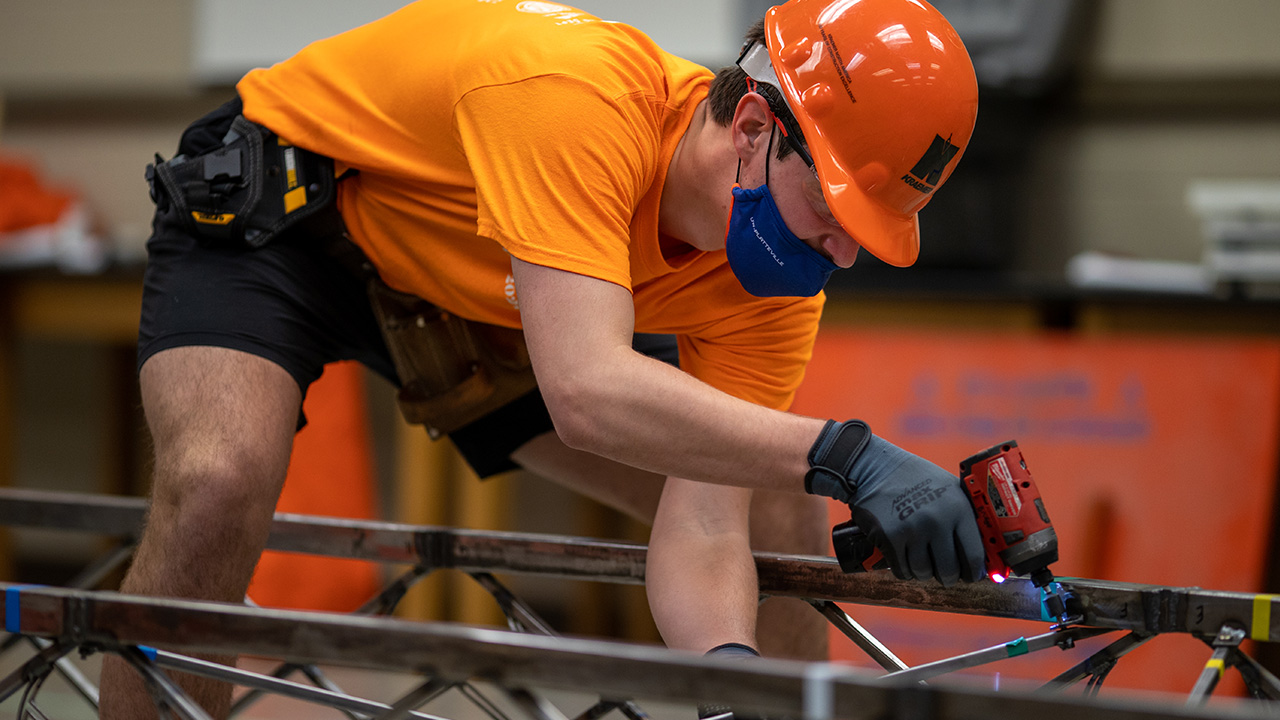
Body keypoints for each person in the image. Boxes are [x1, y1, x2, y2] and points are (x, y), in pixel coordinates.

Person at [101, 0, 984, 716]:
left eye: (868, 232)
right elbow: (589, 392)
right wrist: (843, 455)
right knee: (219, 478)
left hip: (482, 291)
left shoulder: (768, 294)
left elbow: (708, 525)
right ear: (755, 124)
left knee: (768, 510)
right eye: (834, 206)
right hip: (290, 216)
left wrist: (728, 681)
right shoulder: (574, 99)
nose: (841, 253)